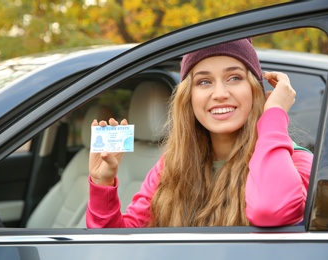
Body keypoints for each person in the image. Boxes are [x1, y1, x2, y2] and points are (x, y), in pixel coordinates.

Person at [86, 38, 313, 228]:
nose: (220, 93)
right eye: (204, 82)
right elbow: (118, 244)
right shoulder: (172, 166)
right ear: (189, 98)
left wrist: (273, 113)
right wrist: (102, 182)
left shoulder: (297, 162)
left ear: (255, 90)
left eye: (234, 78)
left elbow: (271, 209)